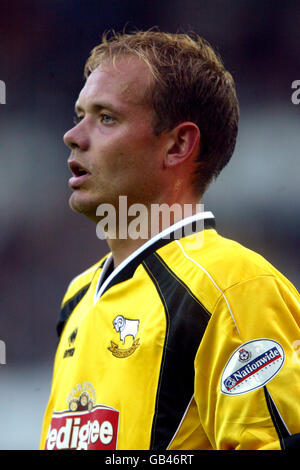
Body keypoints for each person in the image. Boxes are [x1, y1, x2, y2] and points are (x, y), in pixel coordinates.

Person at [40, 29, 300, 451]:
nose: (74, 135)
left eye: (106, 117)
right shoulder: (78, 297)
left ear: (178, 145)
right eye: (79, 114)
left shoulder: (234, 287)